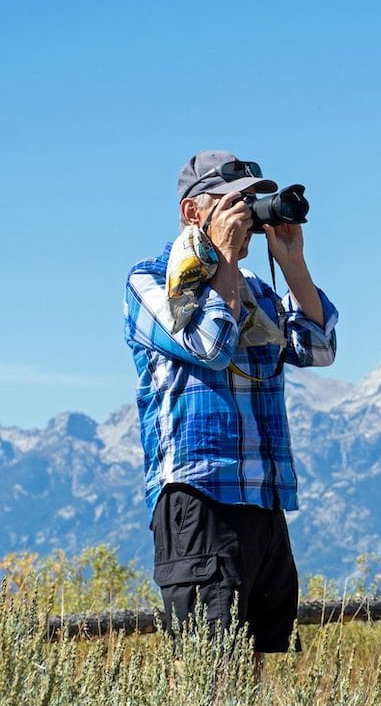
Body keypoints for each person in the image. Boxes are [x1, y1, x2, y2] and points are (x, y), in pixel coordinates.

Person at [123, 149, 337, 667]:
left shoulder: (258, 293)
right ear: (193, 212)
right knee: (207, 671)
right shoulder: (150, 282)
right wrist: (223, 262)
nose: (247, 213)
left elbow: (319, 349)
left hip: (263, 498)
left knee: (257, 663)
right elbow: (210, 346)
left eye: (251, 202)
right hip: (198, 496)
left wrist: (292, 262)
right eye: (234, 203)